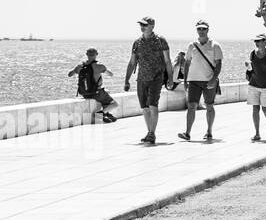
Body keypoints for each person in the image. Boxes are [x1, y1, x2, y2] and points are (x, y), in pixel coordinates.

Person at [123, 15, 173, 145]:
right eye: (141, 24)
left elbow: (168, 61)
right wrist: (126, 80)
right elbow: (132, 62)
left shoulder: (161, 40)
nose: (142, 27)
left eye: (144, 25)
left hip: (157, 77)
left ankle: (152, 133)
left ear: (152, 26)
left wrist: (171, 78)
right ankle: (149, 132)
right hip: (141, 79)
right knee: (145, 107)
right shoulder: (137, 42)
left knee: (153, 105)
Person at [179, 20, 221, 142]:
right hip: (193, 81)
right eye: (199, 29)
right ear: (197, 30)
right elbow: (187, 63)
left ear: (208, 30)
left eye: (203, 29)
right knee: (191, 106)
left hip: (208, 80)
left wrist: (214, 79)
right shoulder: (191, 45)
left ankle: (209, 131)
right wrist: (185, 81)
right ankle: (187, 133)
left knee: (209, 106)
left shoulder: (215, 45)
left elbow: (218, 64)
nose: (201, 31)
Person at [245, 33, 266, 141]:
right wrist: (248, 67)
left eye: (259, 41)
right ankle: (257, 133)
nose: (256, 43)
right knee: (255, 109)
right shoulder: (252, 53)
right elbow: (251, 69)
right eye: (255, 41)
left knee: (265, 110)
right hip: (253, 84)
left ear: (265, 42)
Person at [70, 47, 117, 123]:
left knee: (106, 92)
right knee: (114, 104)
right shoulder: (99, 66)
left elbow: (70, 74)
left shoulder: (80, 66)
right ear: (96, 54)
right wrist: (102, 70)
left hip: (85, 93)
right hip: (96, 93)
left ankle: (106, 114)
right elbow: (111, 74)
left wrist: (76, 69)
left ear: (86, 55)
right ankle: (100, 114)